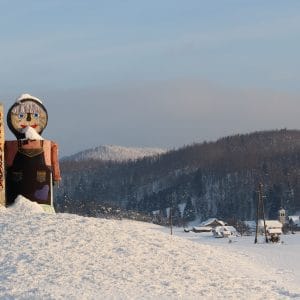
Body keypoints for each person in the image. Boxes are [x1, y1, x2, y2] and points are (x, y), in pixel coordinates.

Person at [5, 93, 61, 212]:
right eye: (20, 115)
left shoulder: (47, 145)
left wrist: (56, 175)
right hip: (15, 198)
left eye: (35, 115)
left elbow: (54, 161)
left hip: (42, 200)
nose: (29, 120)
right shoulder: (10, 146)